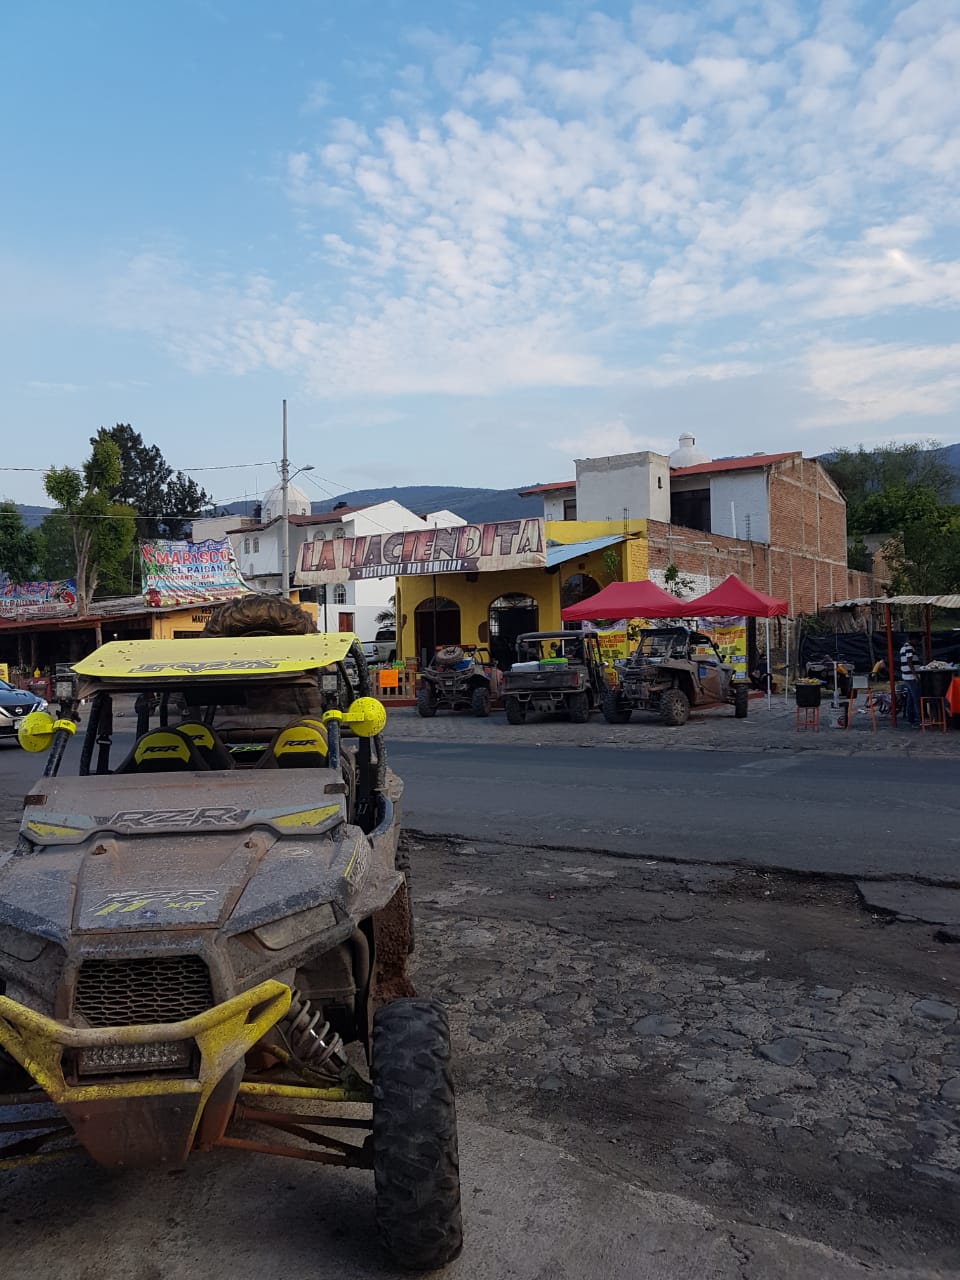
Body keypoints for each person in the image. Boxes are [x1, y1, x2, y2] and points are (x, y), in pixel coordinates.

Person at [899, 633, 921, 726]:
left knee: (910, 698)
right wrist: (915, 675)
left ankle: (911, 718)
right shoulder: (909, 648)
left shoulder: (903, 648)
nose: (918, 642)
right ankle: (918, 718)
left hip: (906, 676)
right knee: (916, 697)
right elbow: (909, 661)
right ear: (912, 639)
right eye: (917, 640)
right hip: (911, 677)